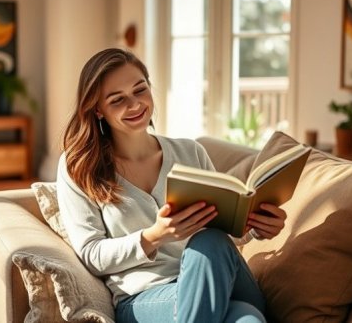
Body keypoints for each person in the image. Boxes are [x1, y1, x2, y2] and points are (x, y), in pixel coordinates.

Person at [56, 48, 287, 323]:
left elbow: (224, 232)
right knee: (247, 318)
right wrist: (154, 236)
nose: (134, 105)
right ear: (98, 110)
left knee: (212, 239)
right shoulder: (79, 167)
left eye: (140, 90)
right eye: (117, 100)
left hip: (220, 282)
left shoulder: (191, 152)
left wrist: (255, 228)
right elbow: (91, 254)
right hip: (145, 299)